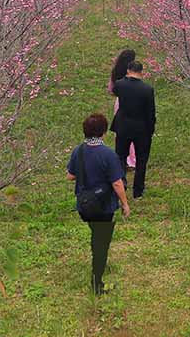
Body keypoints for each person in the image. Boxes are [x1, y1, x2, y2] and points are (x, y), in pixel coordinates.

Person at [67, 113, 130, 294]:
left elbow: (70, 175)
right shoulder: (108, 154)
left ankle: (98, 257)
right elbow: (117, 183)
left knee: (97, 235)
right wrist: (125, 204)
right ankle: (97, 283)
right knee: (102, 243)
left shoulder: (78, 151)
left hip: (85, 205)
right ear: (103, 131)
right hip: (103, 206)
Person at [111, 61, 156, 198]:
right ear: (141, 72)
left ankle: (122, 183)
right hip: (142, 128)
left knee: (120, 156)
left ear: (128, 70)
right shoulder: (147, 89)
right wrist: (151, 129)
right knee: (142, 159)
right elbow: (151, 112)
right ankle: (138, 190)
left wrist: (126, 77)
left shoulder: (120, 85)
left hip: (123, 126)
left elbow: (115, 89)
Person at [108, 49, 137, 169]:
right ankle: (132, 159)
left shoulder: (115, 72)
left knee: (120, 131)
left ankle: (121, 158)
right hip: (133, 102)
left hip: (119, 102)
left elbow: (111, 90)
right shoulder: (132, 73)